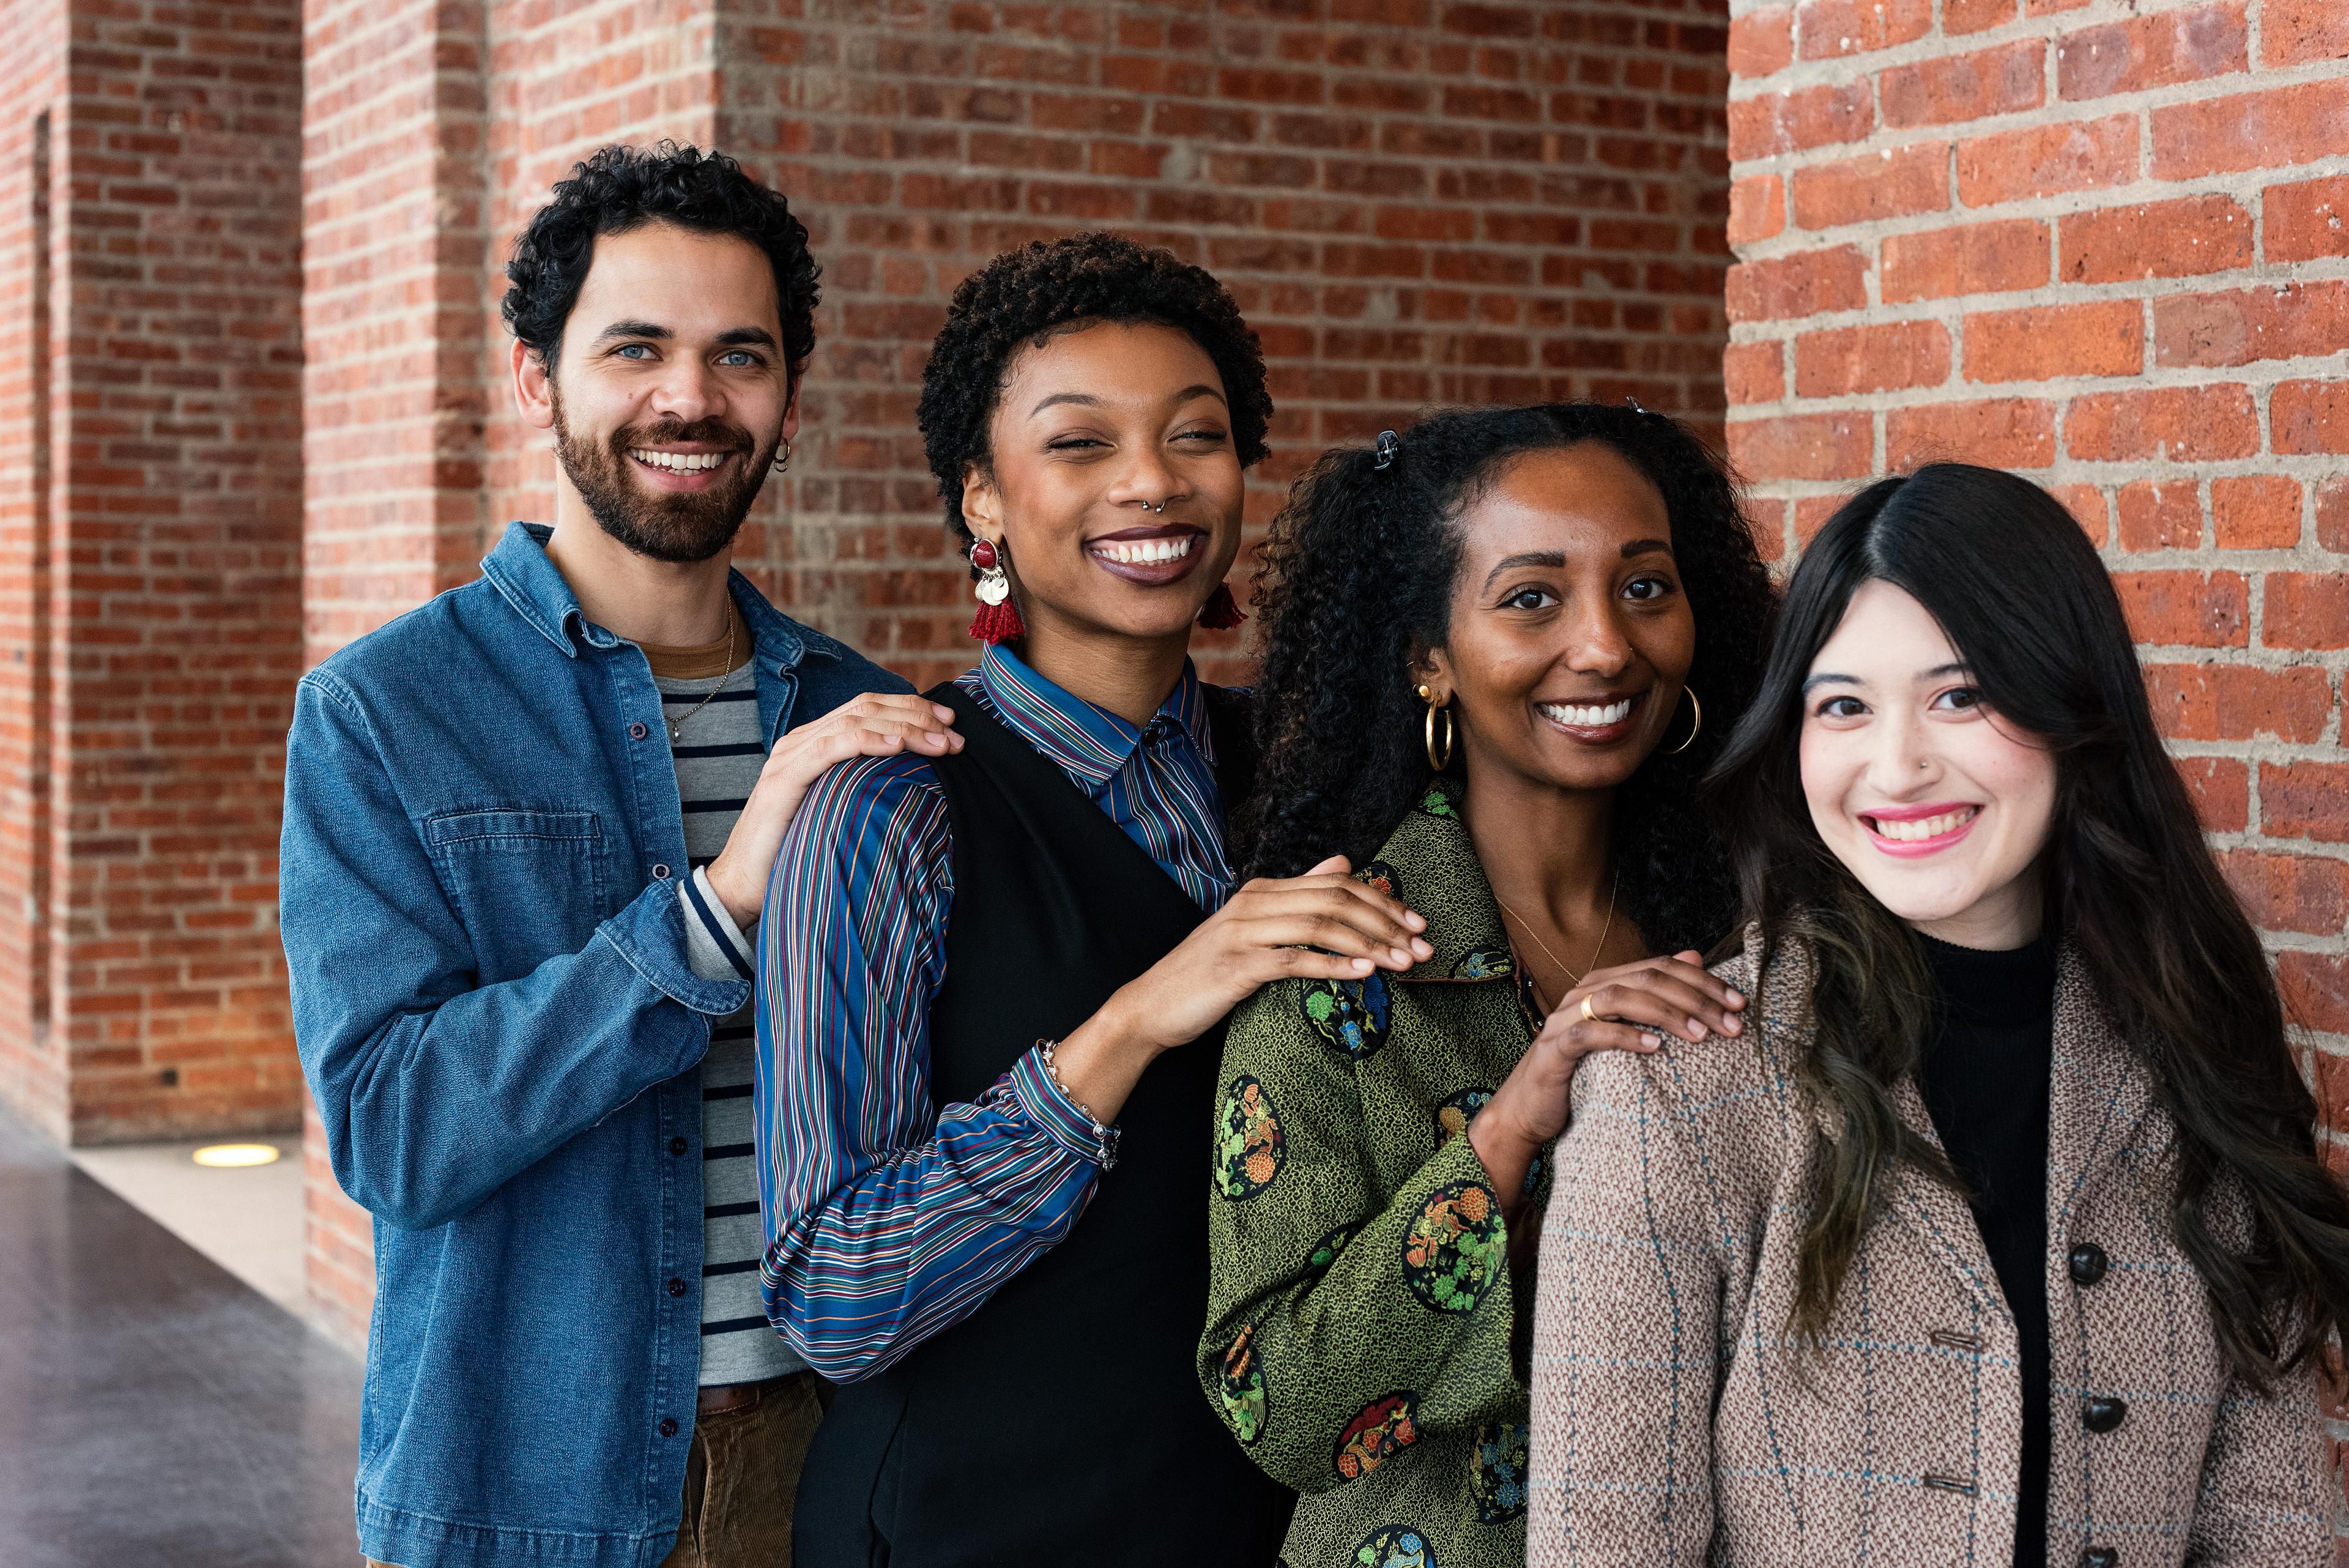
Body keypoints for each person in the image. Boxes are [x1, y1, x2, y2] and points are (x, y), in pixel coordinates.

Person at [280, 144, 958, 1568]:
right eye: (636, 347)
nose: (691, 398)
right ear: (538, 376)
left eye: (740, 356)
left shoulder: (860, 714)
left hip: (829, 1460)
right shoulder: (384, 712)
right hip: (527, 1479)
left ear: (788, 399)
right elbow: (395, 1129)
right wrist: (713, 920)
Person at [1529, 463, 2349, 1567]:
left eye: (1961, 696)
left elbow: (2273, 1526)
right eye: (1844, 707)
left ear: (2071, 709)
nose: (1898, 766)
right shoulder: (1676, 1083)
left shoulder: (2194, 1049)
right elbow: (1605, 1547)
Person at [756, 234, 1428, 1565]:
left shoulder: (1305, 780)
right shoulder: (891, 808)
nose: (1150, 483)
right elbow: (834, 1293)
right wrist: (1127, 1030)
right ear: (984, 502)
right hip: (973, 1526)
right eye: (1079, 444)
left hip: (1245, 1522)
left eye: (1197, 436)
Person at [1197, 404, 1778, 1568]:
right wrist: (1514, 1126)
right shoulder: (1342, 973)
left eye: (1646, 587)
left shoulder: (1749, 938)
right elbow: (1278, 1407)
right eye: (1531, 598)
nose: (1607, 646)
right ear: (1430, 657)